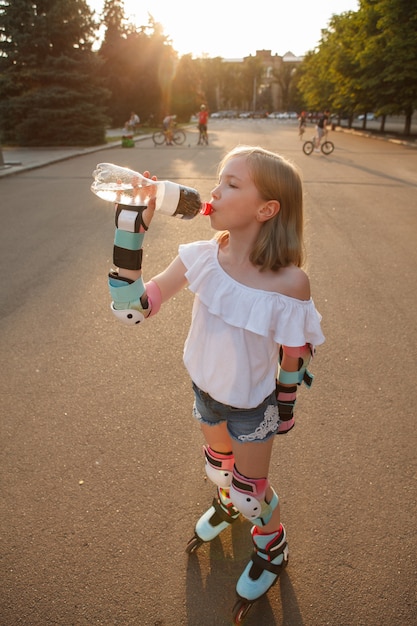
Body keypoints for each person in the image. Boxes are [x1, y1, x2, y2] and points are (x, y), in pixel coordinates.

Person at [106, 146, 325, 609]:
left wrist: (285, 405)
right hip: (205, 394)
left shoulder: (290, 283)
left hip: (252, 407)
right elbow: (131, 310)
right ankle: (227, 499)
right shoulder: (202, 256)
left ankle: (272, 546)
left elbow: (294, 352)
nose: (214, 190)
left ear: (266, 209)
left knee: (252, 493)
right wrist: (130, 228)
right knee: (219, 469)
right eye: (218, 180)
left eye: (231, 183)